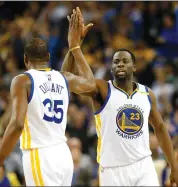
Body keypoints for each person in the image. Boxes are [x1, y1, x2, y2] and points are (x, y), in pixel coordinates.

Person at [61, 8, 178, 186]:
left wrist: (174, 166)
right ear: (112, 69)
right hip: (112, 170)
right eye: (116, 62)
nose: (120, 64)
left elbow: (161, 129)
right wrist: (74, 48)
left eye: (125, 61)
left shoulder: (147, 94)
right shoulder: (102, 88)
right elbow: (65, 79)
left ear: (134, 67)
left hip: (143, 165)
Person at [0, 8, 97, 186]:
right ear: (47, 57)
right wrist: (75, 48)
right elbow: (91, 84)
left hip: (40, 155)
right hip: (64, 155)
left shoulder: (23, 81)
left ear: (25, 59)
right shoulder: (62, 78)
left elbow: (17, 125)